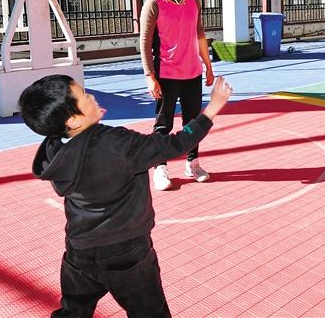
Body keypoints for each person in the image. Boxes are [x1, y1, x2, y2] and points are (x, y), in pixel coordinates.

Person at [19, 74, 233, 318]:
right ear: (73, 119)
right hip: (126, 251)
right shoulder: (118, 143)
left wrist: (92, 122)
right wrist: (212, 108)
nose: (91, 96)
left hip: (79, 251)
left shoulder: (55, 151)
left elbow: (86, 147)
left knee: (74, 312)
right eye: (84, 96)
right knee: (150, 313)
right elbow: (174, 144)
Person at [140, 0, 215, 190]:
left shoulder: (192, 0)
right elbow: (144, 42)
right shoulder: (154, 3)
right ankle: (160, 168)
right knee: (163, 124)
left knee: (192, 123)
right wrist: (150, 76)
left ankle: (192, 163)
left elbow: (199, 33)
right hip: (166, 74)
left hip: (192, 72)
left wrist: (208, 65)